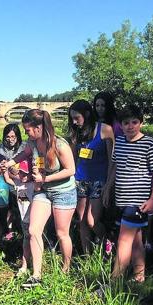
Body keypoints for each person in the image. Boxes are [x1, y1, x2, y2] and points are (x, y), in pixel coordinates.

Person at [3, 109, 77, 288]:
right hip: (43, 191)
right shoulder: (33, 143)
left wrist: (46, 178)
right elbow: (25, 154)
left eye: (28, 129)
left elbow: (71, 170)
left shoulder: (59, 144)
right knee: (34, 230)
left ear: (39, 127)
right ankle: (36, 274)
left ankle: (66, 269)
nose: (26, 133)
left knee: (62, 233)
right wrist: (11, 162)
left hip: (63, 191)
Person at [102, 106, 153, 283]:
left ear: (141, 123)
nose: (130, 126)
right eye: (126, 123)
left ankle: (114, 283)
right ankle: (139, 276)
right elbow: (115, 166)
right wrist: (108, 187)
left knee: (123, 241)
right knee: (136, 241)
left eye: (134, 122)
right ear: (120, 125)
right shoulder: (120, 142)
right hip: (122, 199)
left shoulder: (149, 144)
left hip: (137, 202)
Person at [67, 99, 114, 255]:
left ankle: (107, 242)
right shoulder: (76, 133)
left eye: (76, 118)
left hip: (99, 180)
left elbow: (112, 160)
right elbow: (72, 159)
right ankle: (87, 255)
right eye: (72, 118)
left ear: (87, 114)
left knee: (92, 220)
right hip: (80, 180)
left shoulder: (105, 130)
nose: (74, 122)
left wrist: (108, 184)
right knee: (81, 220)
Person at [3, 160, 34, 277]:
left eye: (26, 173)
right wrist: (5, 169)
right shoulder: (18, 183)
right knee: (26, 240)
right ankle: (25, 265)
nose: (23, 176)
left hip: (34, 219)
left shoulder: (34, 184)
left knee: (35, 240)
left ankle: (37, 265)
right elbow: (7, 179)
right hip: (24, 219)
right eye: (21, 173)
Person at [0, 123, 27, 239]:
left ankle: (23, 230)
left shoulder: (24, 147)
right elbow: (3, 169)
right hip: (9, 181)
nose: (10, 140)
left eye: (13, 137)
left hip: (24, 182)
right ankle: (9, 231)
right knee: (9, 208)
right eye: (8, 137)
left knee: (23, 208)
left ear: (18, 137)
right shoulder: (2, 149)